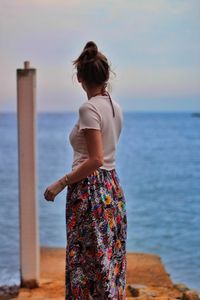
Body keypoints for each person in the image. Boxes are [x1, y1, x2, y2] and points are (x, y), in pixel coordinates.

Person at [44, 41, 127, 300]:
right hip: (111, 189)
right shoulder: (115, 107)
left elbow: (95, 159)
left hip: (90, 190)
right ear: (105, 76)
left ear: (79, 78)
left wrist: (61, 183)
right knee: (106, 261)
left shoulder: (89, 108)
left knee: (85, 263)